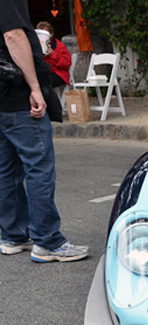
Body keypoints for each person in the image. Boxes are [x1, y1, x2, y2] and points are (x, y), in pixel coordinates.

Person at [0, 0, 89, 262]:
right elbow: (13, 35)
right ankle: (47, 241)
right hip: (18, 96)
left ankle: (13, 236)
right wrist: (35, 88)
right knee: (38, 166)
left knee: (6, 170)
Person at [36, 21, 72, 89]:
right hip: (44, 73)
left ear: (51, 34)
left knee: (42, 83)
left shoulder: (59, 46)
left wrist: (53, 54)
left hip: (59, 74)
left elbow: (67, 63)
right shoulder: (37, 46)